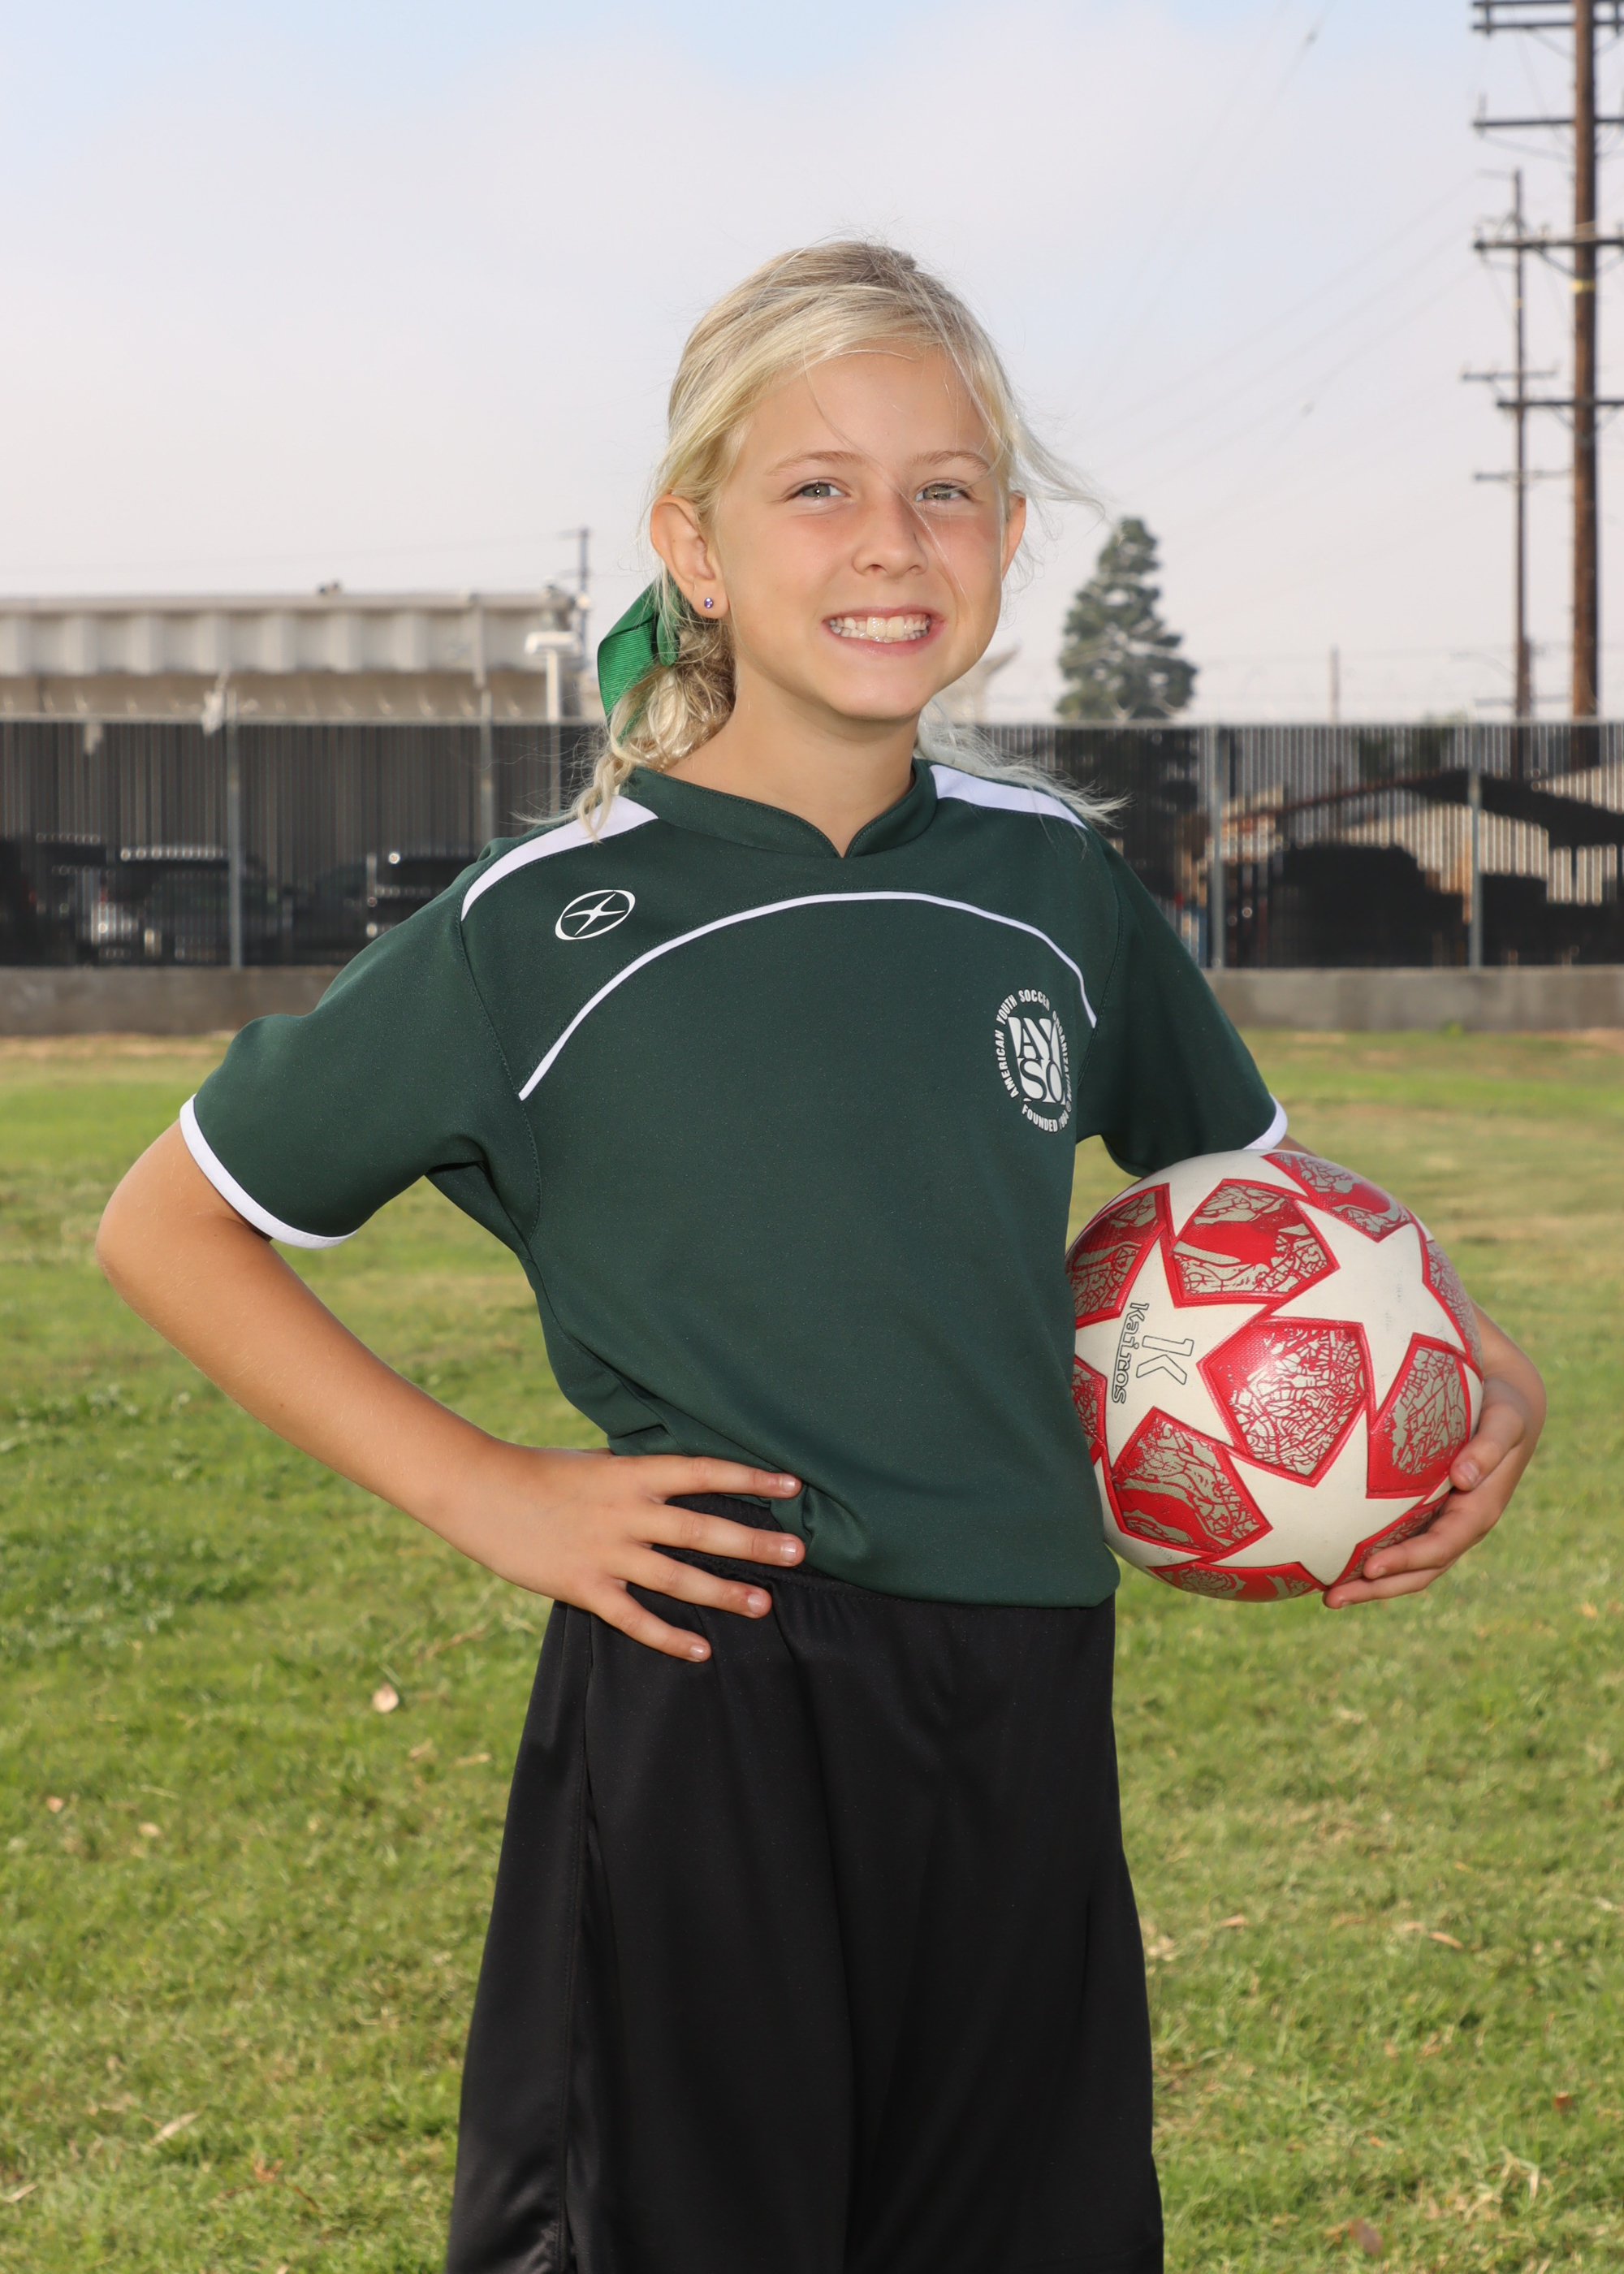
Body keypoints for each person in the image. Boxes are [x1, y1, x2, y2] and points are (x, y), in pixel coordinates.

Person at [97, 242, 1545, 2274]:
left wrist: (1475, 1364)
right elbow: (167, 1222)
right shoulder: (547, 928)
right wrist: (490, 1489)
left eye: (945, 488)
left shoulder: (1051, 880)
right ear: (693, 545)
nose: (890, 539)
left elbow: (1267, 1199)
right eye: (818, 487)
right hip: (712, 1675)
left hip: (1024, 1680)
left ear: (1008, 538)